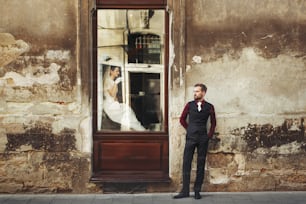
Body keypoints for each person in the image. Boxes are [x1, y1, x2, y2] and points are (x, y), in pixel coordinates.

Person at [173, 83, 216, 200]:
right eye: (194, 91)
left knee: (200, 164)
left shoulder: (209, 107)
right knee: (186, 163)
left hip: (203, 138)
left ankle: (197, 191)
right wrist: (189, 128)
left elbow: (213, 123)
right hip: (190, 138)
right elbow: (182, 119)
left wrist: (209, 135)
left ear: (203, 92)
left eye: (197, 91)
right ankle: (185, 191)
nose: (195, 93)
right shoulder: (189, 105)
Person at [103, 66, 145, 131]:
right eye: (116, 71)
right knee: (128, 111)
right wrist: (116, 83)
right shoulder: (108, 81)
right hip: (109, 106)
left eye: (118, 71)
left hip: (113, 104)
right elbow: (112, 95)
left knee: (129, 113)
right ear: (111, 71)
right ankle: (140, 129)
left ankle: (138, 128)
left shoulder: (112, 81)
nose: (118, 73)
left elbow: (115, 96)